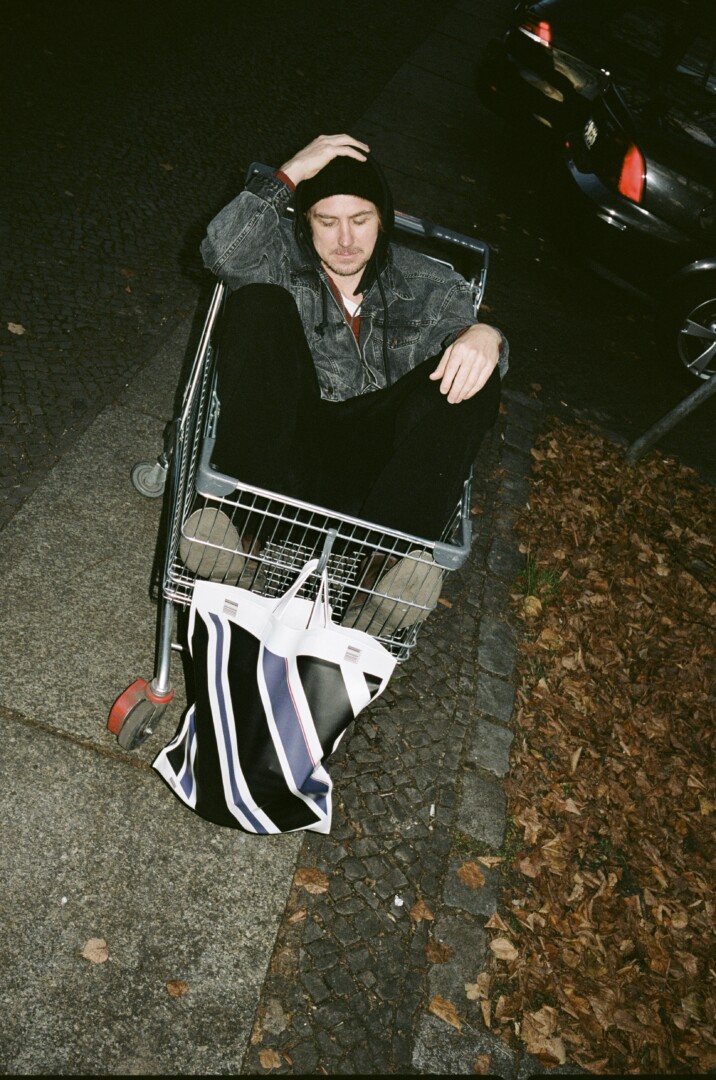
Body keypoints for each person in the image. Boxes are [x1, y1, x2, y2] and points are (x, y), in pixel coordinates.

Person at [184, 134, 509, 630]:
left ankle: (381, 577)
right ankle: (240, 537)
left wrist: (487, 336)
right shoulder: (279, 256)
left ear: (383, 219)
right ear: (304, 221)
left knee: (474, 368)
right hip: (279, 463)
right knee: (258, 303)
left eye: (360, 220)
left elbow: (473, 362)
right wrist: (292, 170)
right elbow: (219, 250)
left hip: (377, 489)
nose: (345, 240)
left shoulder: (432, 285)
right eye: (326, 221)